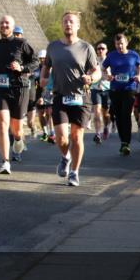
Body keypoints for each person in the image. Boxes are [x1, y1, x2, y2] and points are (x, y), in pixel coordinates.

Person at [40, 12, 100, 187]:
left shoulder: (86, 48)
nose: (68, 24)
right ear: (62, 24)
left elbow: (96, 71)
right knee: (61, 138)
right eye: (65, 21)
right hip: (60, 96)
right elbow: (46, 66)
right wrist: (43, 78)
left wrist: (91, 78)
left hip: (81, 96)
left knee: (77, 136)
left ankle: (74, 172)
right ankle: (66, 157)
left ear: (78, 25)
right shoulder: (53, 47)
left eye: (71, 22)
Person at [0, 15, 38, 174]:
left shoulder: (21, 43)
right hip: (1, 89)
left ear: (13, 27)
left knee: (17, 130)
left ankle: (19, 139)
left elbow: (35, 62)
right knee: (2, 125)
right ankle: (5, 162)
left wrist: (22, 68)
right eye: (1, 22)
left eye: (7, 23)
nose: (4, 25)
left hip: (19, 89)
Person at [101, 32, 140, 156]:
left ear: (126, 43)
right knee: (118, 116)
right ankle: (123, 142)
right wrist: (106, 76)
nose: (119, 46)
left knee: (125, 114)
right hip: (115, 89)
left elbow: (139, 66)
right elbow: (102, 68)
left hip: (129, 88)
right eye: (117, 44)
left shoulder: (133, 55)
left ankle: (126, 143)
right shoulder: (111, 56)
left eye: (121, 43)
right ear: (115, 44)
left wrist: (139, 75)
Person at [90, 42, 112, 144]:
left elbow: (113, 76)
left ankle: (106, 126)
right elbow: (89, 72)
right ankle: (98, 133)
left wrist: (109, 75)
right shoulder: (93, 61)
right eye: (98, 49)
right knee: (97, 112)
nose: (100, 50)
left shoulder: (110, 61)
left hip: (107, 89)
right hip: (95, 89)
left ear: (106, 50)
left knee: (106, 114)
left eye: (103, 48)